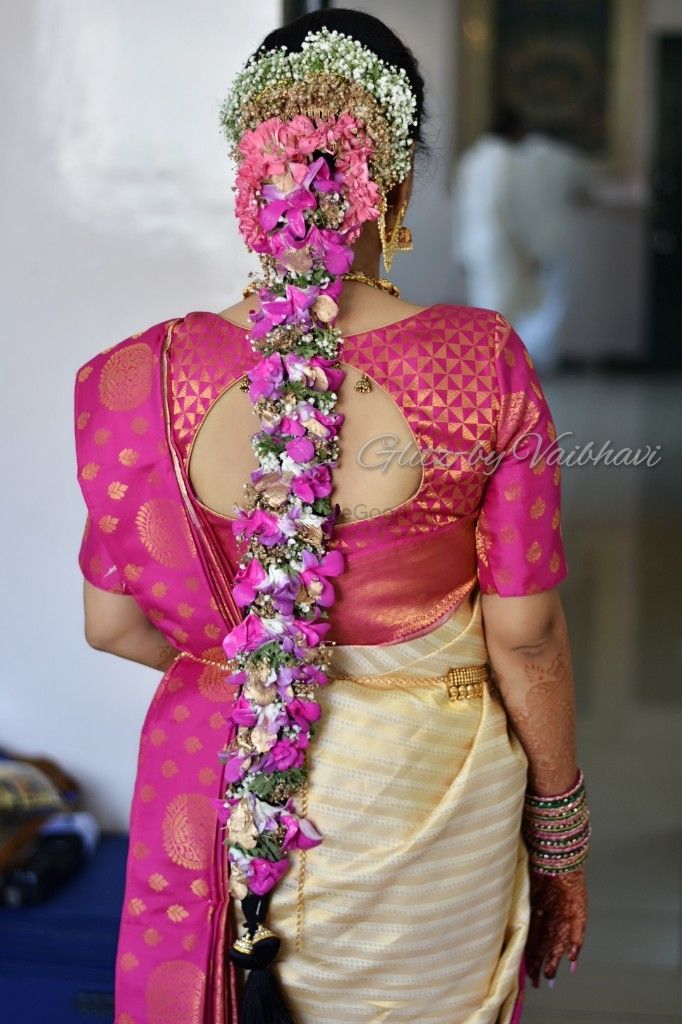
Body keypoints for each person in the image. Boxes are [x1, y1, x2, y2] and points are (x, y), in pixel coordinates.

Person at [74, 10, 589, 1024]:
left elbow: (113, 625)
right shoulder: (477, 361)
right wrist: (560, 831)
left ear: (247, 175)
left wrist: (269, 673)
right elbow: (523, 634)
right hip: (424, 795)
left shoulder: (138, 379)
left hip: (224, 794)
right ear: (390, 185)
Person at [453, 110, 597, 375]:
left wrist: (461, 251)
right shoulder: (509, 160)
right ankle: (497, 372)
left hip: (476, 243)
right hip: (503, 246)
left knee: (485, 305)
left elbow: (462, 209)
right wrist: (532, 248)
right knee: (503, 308)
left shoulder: (472, 158)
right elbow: (516, 211)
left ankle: (489, 368)